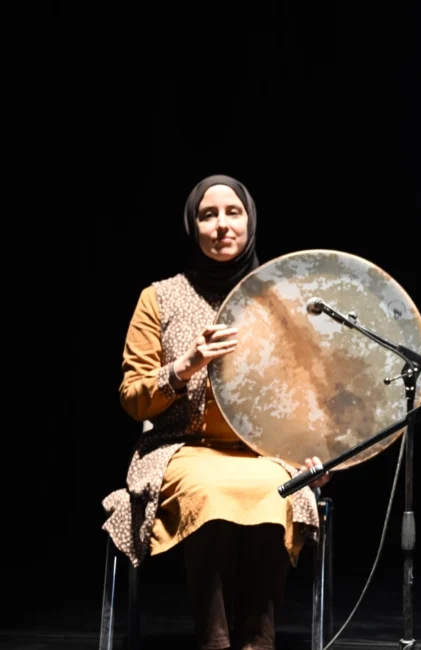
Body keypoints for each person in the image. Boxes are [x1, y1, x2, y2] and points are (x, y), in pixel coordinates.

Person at [102, 174, 332, 650]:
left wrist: (315, 456)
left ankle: (257, 641)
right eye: (208, 215)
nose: (222, 225)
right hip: (180, 448)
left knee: (275, 489)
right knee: (209, 490)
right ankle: (216, 641)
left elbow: (309, 396)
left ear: (250, 222)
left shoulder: (282, 300)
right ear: (192, 226)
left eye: (234, 213)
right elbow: (132, 396)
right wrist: (187, 365)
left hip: (263, 453)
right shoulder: (159, 297)